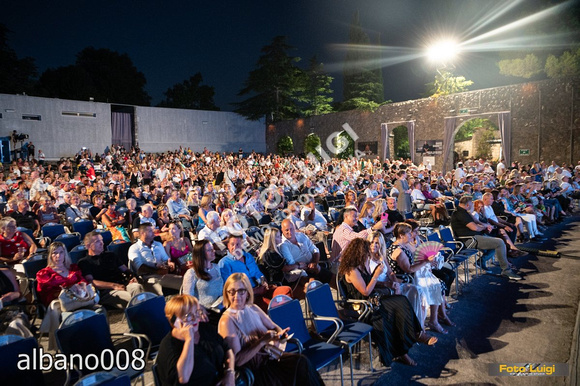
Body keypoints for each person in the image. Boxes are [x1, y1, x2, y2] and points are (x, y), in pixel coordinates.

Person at [338, 238, 434, 367]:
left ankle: (415, 335)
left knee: (401, 301)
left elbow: (369, 283)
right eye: (366, 252)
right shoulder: (352, 271)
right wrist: (376, 274)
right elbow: (365, 291)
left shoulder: (361, 265)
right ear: (358, 253)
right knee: (395, 308)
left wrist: (385, 283)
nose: (368, 255)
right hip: (362, 305)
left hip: (372, 300)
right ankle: (409, 344)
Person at [218, 273, 324, 386]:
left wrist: (280, 334)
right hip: (255, 372)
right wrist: (262, 341)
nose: (236, 296)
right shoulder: (227, 321)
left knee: (302, 363)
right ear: (226, 293)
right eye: (232, 291)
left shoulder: (253, 308)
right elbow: (237, 361)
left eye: (241, 291)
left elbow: (274, 327)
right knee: (300, 372)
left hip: (270, 359)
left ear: (248, 293)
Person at [387, 223, 454, 334]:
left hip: (412, 276)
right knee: (433, 285)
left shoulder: (404, 246)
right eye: (409, 233)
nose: (411, 235)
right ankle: (428, 324)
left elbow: (413, 264)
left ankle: (434, 320)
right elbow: (409, 269)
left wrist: (427, 263)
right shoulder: (398, 250)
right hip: (405, 279)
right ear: (401, 235)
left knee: (436, 284)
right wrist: (425, 262)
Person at [157, 294, 236, 386]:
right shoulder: (169, 347)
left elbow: (227, 349)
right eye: (188, 315)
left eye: (197, 312)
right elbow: (183, 378)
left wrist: (229, 373)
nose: (195, 319)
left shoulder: (204, 329)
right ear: (175, 321)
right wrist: (189, 339)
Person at [37, 242, 95, 349]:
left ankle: (98, 342)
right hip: (61, 303)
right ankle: (71, 348)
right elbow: (45, 294)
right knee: (76, 318)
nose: (58, 256)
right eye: (54, 253)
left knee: (100, 311)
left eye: (61, 252)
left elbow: (83, 282)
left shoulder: (73, 268)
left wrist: (80, 286)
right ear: (50, 256)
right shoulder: (44, 273)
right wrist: (68, 290)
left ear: (65, 254)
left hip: (80, 299)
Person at [451, 195, 522, 280]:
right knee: (499, 242)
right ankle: (506, 270)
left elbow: (477, 221)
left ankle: (482, 261)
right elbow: (475, 227)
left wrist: (487, 225)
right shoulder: (460, 213)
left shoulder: (466, 212)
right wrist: (484, 227)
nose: (473, 206)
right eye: (472, 204)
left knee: (496, 240)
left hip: (475, 236)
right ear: (467, 205)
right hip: (469, 239)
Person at [218, 235, 292, 311]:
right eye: (232, 244)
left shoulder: (248, 256)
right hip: (247, 297)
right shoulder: (224, 263)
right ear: (228, 246)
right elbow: (231, 289)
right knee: (274, 306)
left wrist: (264, 283)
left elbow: (258, 273)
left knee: (285, 291)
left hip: (261, 288)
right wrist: (255, 291)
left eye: (238, 244)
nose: (235, 247)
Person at [78, 231, 144, 308]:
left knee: (137, 288)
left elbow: (126, 270)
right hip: (107, 291)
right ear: (88, 245)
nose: (102, 243)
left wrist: (132, 277)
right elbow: (91, 281)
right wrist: (113, 286)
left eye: (102, 240)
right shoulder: (84, 262)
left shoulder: (111, 255)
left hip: (123, 284)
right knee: (132, 299)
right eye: (98, 242)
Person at [128, 223, 182, 295]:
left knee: (185, 282)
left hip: (162, 275)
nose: (153, 232)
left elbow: (165, 259)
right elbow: (139, 268)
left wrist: (169, 264)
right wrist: (157, 271)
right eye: (150, 231)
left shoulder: (158, 244)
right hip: (147, 277)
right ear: (142, 233)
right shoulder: (134, 248)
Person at [279, 219, 333, 287]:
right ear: (282, 230)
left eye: (291, 229)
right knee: (313, 284)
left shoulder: (301, 235)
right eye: (287, 230)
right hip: (301, 273)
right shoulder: (283, 245)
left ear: (294, 227)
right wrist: (302, 266)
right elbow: (291, 264)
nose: (290, 232)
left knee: (333, 278)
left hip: (314, 267)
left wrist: (314, 262)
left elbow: (315, 250)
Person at [182, 239, 224, 325]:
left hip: (221, 307)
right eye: (209, 250)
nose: (213, 251)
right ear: (200, 254)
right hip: (205, 312)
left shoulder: (216, 267)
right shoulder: (192, 273)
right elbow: (187, 297)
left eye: (213, 248)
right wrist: (198, 307)